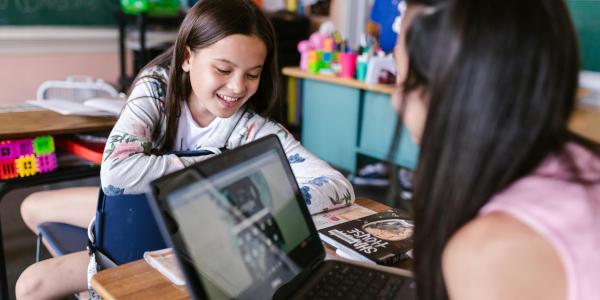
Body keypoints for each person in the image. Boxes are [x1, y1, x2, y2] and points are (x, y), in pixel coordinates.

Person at [16, 0, 355, 298]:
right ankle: (100, 278)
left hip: (182, 241)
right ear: (188, 58)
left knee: (31, 284)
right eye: (223, 69)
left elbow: (338, 187)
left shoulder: (251, 128)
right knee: (31, 207)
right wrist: (215, 166)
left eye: (253, 74)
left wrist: (255, 198)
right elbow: (117, 175)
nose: (238, 87)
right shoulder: (156, 89)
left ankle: (111, 278)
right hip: (139, 212)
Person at [393, 0, 600, 299]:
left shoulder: (488, 253)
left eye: (403, 78)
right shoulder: (583, 163)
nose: (395, 101)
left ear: (459, 92)